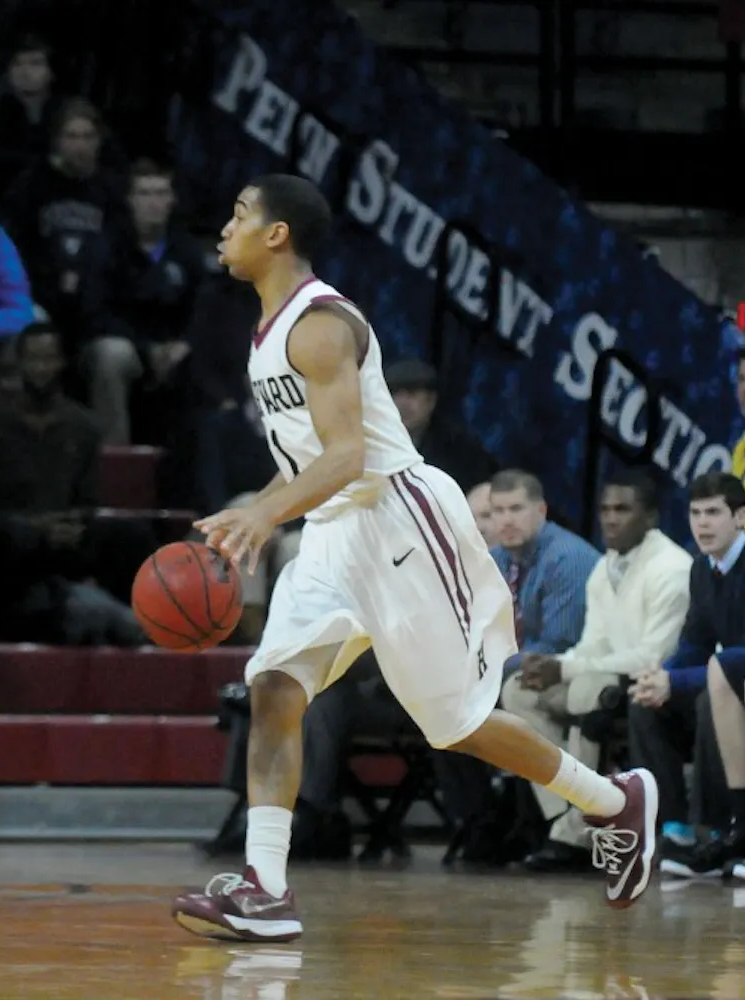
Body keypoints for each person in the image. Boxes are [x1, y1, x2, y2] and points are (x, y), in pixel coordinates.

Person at [170, 176, 657, 944]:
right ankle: (266, 887)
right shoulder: (268, 330)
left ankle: (611, 800)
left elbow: (350, 456)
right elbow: (309, 461)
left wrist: (268, 513)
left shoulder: (321, 325)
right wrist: (256, 506)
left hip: (397, 521)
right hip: (333, 530)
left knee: (455, 725)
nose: (223, 228)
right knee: (273, 687)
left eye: (238, 215)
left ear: (276, 235)